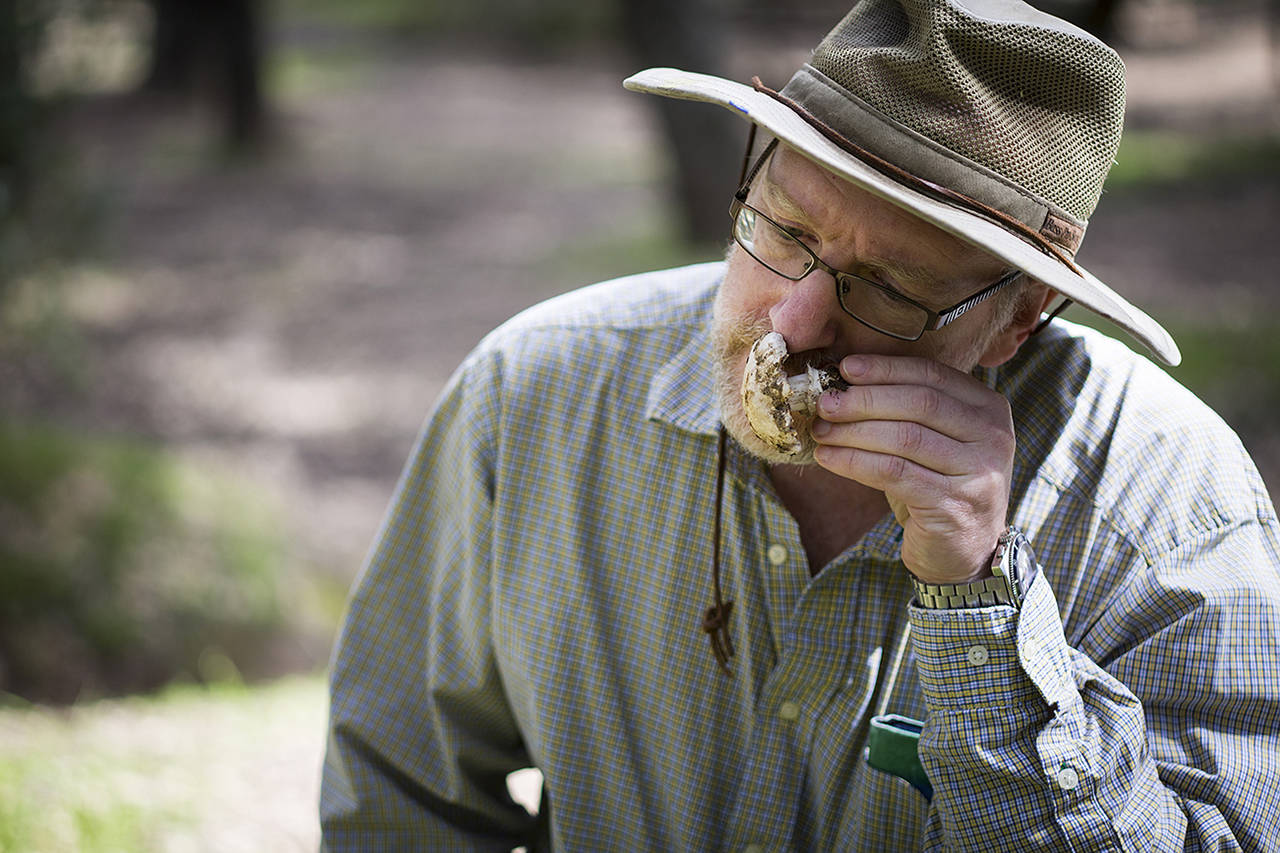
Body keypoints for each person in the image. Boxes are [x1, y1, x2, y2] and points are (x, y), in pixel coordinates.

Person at [319, 0, 1280, 848]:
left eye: (891, 290)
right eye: (786, 231)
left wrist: (983, 604)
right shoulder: (532, 397)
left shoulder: (1171, 501)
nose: (794, 322)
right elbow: (400, 796)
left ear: (1018, 319)